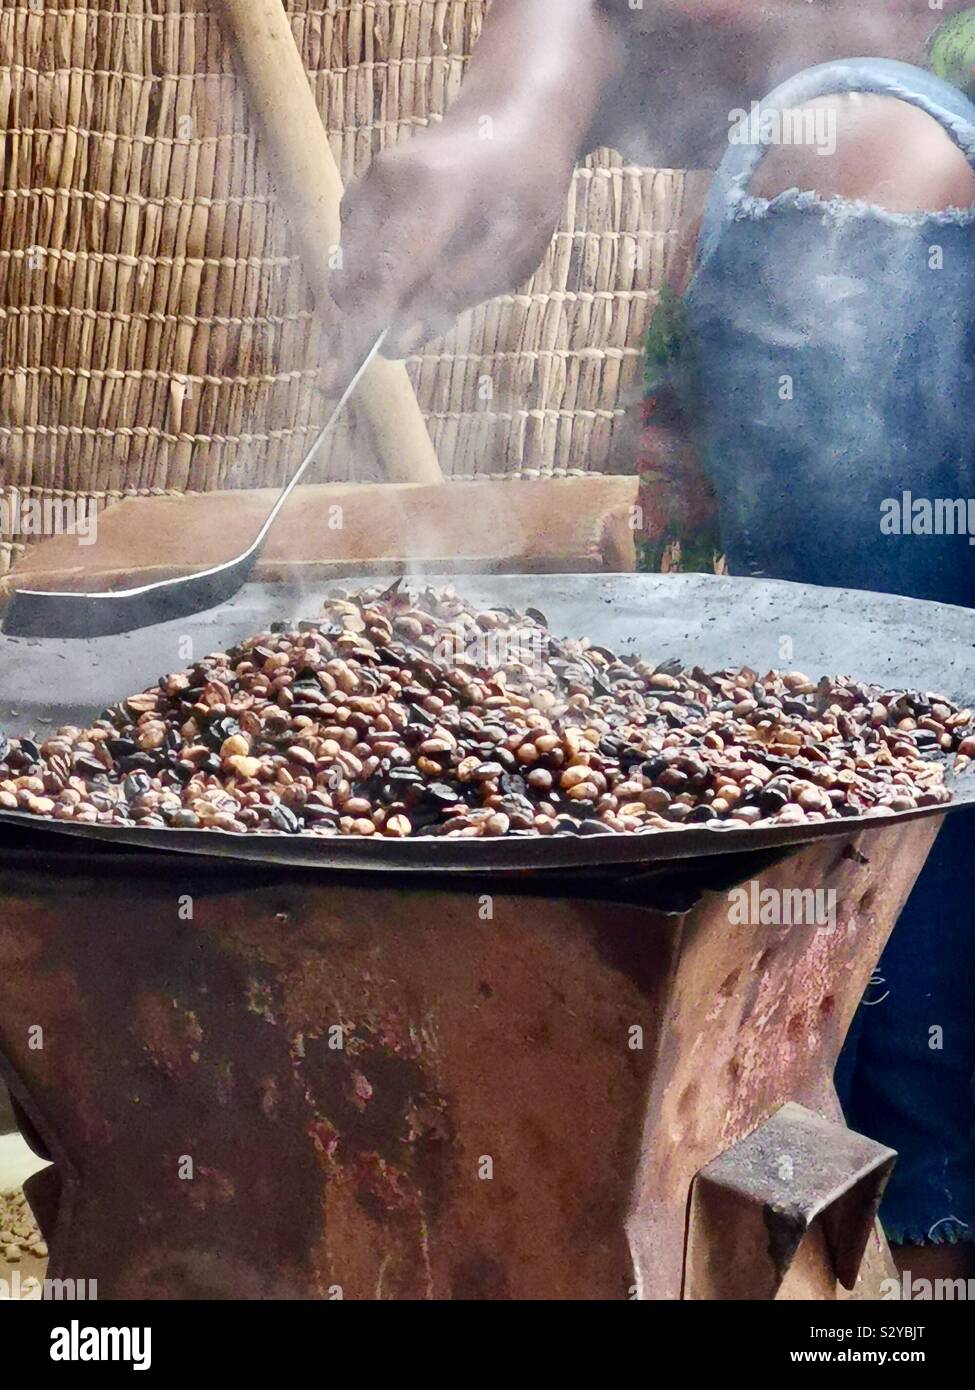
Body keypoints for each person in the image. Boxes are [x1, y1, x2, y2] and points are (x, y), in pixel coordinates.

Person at [328, 0, 975, 1282]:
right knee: (863, 812)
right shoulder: (864, 143)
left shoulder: (869, 152)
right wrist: (515, 116)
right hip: (873, 171)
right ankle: (888, 1233)